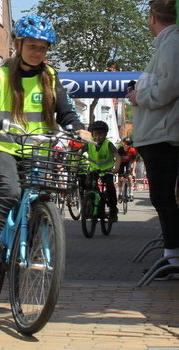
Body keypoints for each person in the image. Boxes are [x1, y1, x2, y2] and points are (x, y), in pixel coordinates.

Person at [0, 15, 90, 275]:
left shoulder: (50, 76)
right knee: (11, 190)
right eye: (33, 46)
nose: (38, 52)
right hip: (3, 145)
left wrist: (79, 129)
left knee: (41, 192)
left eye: (43, 47)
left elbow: (66, 110)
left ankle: (34, 232)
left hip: (37, 146)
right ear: (18, 44)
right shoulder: (1, 75)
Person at [126, 0, 179, 270]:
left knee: (162, 197)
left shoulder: (171, 44)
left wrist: (140, 96)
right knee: (163, 197)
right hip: (159, 133)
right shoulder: (167, 44)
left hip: (163, 134)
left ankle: (173, 257)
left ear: (152, 17)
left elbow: (170, 86)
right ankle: (172, 254)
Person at [80, 121, 121, 222]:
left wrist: (116, 168)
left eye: (101, 134)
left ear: (105, 134)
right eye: (96, 134)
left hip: (107, 170)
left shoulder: (108, 144)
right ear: (92, 134)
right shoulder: (89, 144)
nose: (98, 137)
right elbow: (79, 152)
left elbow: (118, 157)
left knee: (110, 188)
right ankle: (90, 207)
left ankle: (113, 210)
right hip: (93, 169)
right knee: (89, 187)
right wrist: (75, 166)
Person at [117, 136, 137, 200]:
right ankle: (120, 194)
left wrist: (133, 172)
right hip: (121, 163)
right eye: (124, 143)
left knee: (130, 177)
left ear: (130, 145)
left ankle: (131, 194)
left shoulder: (132, 150)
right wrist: (116, 169)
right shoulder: (120, 150)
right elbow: (117, 160)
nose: (125, 145)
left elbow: (134, 162)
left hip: (128, 162)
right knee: (120, 178)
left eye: (127, 144)